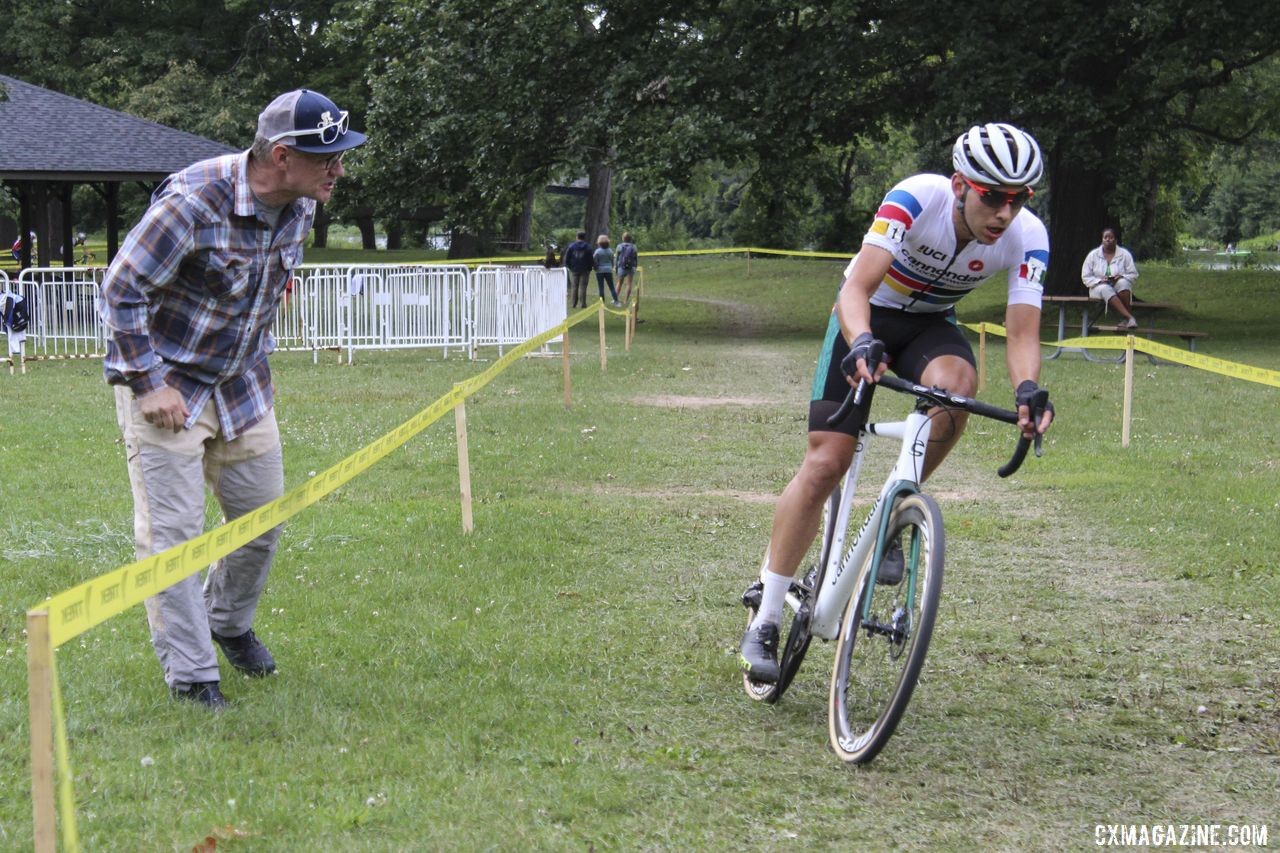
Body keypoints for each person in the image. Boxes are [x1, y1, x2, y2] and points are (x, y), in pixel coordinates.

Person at [739, 123, 1056, 684]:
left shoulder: (1029, 237)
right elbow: (855, 289)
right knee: (826, 464)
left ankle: (893, 518)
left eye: (1018, 198)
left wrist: (1028, 389)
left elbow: (1023, 329)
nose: (1005, 212)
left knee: (957, 386)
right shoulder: (915, 198)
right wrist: (861, 340)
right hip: (867, 319)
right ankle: (765, 617)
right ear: (961, 185)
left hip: (931, 327)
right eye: (992, 196)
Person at [98, 88, 367, 710]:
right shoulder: (193, 202)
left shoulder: (299, 205)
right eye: (328, 157)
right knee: (174, 538)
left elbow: (273, 268)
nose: (339, 169)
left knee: (260, 522)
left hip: (244, 386)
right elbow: (121, 290)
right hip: (170, 389)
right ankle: (192, 677)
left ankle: (228, 622)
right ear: (280, 155)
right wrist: (147, 383)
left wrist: (274, 292)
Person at [1081, 226, 1139, 329]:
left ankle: (1126, 320)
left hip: (1117, 286)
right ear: (1102, 239)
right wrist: (1099, 281)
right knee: (1105, 288)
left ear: (1116, 240)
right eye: (1105, 237)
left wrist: (1122, 276)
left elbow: (1133, 274)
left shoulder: (1125, 255)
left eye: (1111, 237)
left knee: (1124, 283)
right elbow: (1085, 276)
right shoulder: (1093, 255)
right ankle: (1130, 317)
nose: (1108, 240)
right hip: (1097, 288)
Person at [562, 230, 593, 308]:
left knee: (574, 286)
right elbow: (590, 259)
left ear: (577, 237)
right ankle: (583, 303)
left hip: (574, 268)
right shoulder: (588, 247)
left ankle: (574, 303)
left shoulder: (571, 246)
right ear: (584, 237)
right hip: (585, 269)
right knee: (583, 287)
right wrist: (590, 267)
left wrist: (570, 266)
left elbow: (567, 258)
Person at [593, 234, 621, 307]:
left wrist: (595, 268)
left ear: (599, 243)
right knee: (611, 287)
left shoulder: (597, 252)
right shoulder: (610, 251)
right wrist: (611, 267)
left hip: (599, 271)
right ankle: (616, 301)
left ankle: (602, 302)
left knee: (601, 287)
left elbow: (595, 261)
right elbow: (612, 260)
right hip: (608, 270)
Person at [615, 232, 639, 305]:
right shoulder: (634, 247)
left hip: (621, 267)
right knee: (629, 283)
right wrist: (635, 266)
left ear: (623, 238)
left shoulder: (619, 246)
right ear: (630, 239)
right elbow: (635, 258)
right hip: (630, 267)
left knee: (619, 282)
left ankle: (616, 299)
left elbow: (616, 258)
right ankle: (625, 300)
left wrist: (616, 267)